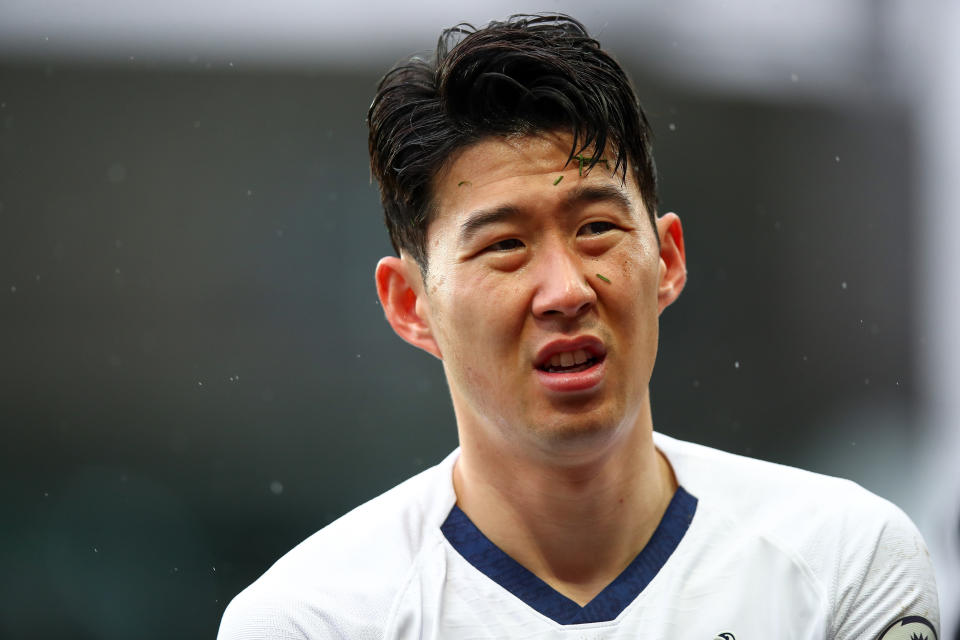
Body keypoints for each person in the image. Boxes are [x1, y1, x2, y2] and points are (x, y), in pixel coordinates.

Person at [218, 14, 939, 639]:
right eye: (504, 246)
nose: (565, 292)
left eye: (596, 228)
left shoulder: (845, 559)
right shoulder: (313, 620)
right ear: (410, 304)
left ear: (668, 260)